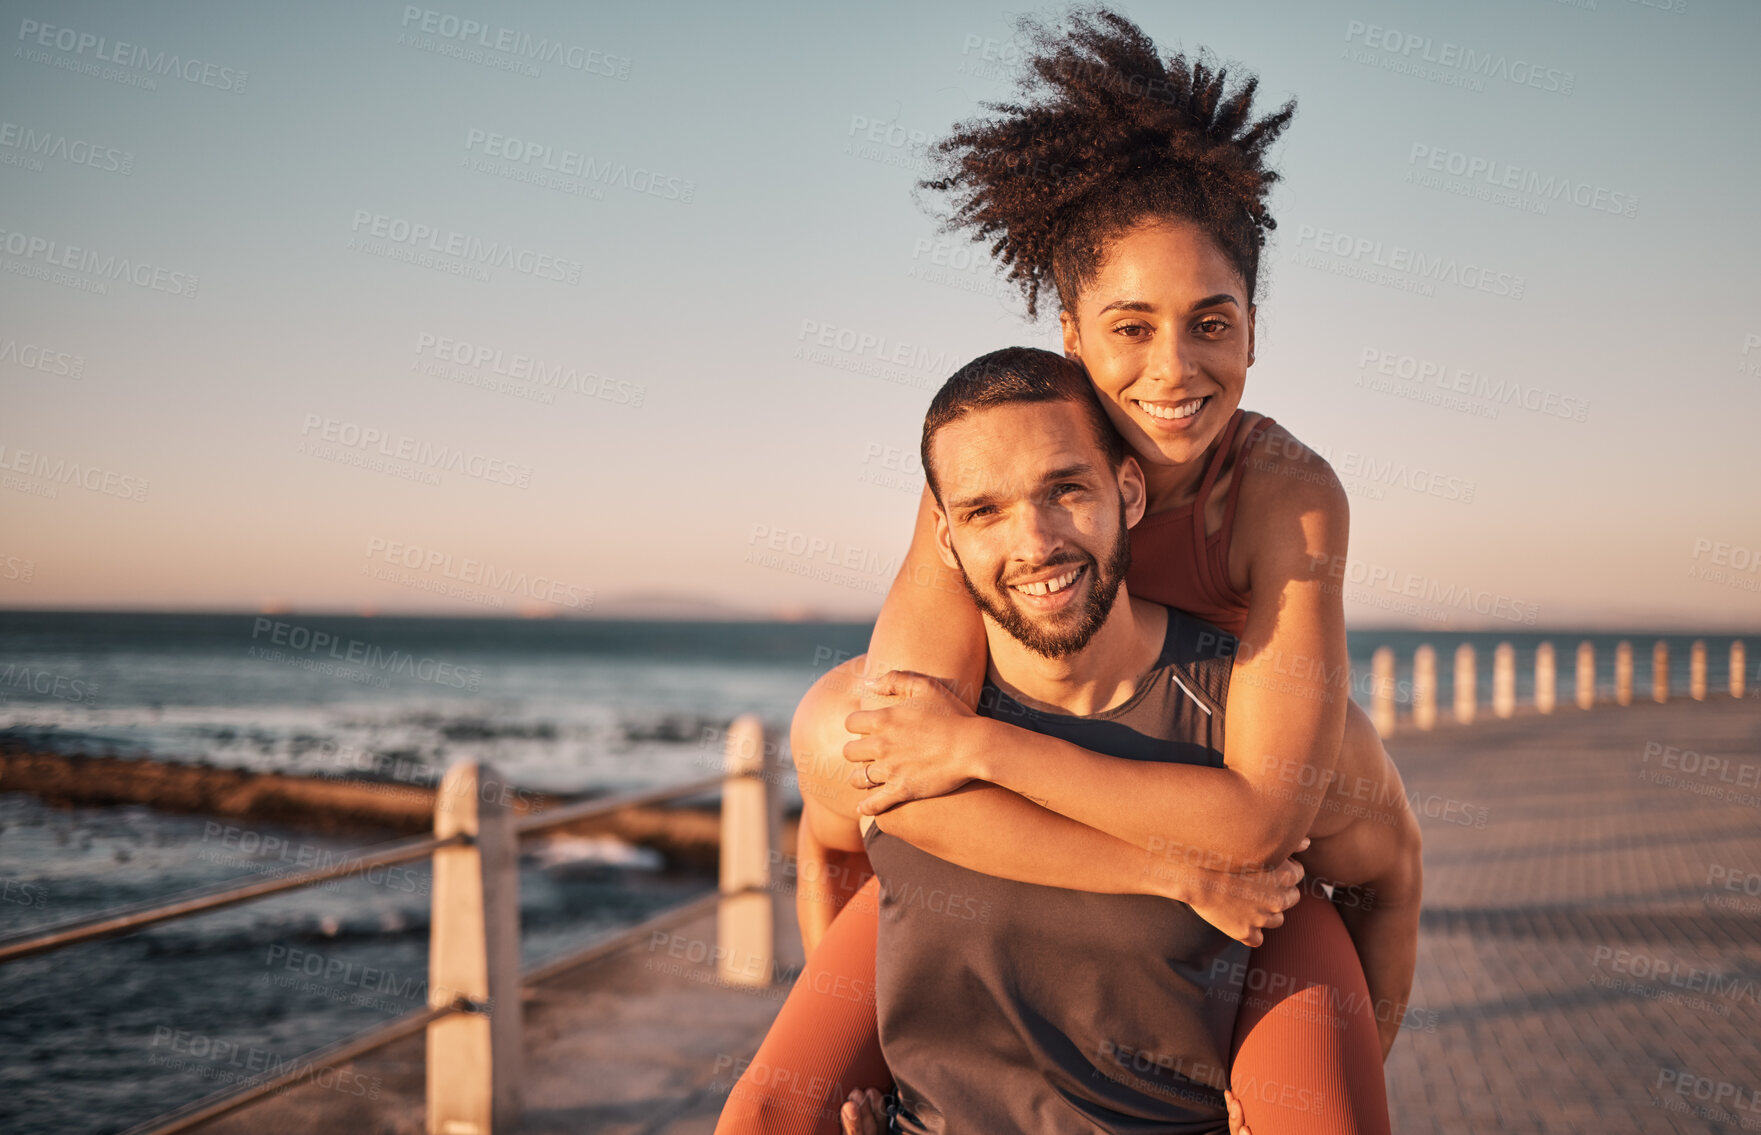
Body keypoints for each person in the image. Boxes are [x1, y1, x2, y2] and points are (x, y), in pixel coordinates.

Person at [718, 9, 1421, 1134]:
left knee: (1369, 819)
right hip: (1091, 742)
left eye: (1212, 325)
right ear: (1073, 334)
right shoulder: (1003, 461)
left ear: (1255, 329)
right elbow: (899, 773)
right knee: (830, 732)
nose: (1173, 370)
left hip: (1232, 745)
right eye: (1130, 328)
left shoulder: (1286, 489)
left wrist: (981, 743)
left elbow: (1250, 830)